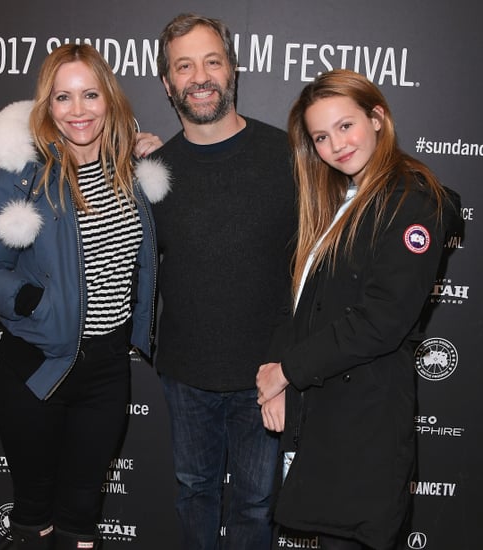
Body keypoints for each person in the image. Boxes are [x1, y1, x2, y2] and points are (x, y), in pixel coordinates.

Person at [0, 43, 167, 550]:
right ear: (46, 106)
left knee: (81, 516)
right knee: (34, 511)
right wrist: (29, 301)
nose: (79, 111)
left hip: (106, 368)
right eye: (63, 97)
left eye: (90, 94)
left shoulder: (131, 172)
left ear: (109, 99)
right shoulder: (25, 173)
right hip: (38, 365)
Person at [256, 69, 461, 550]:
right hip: (327, 414)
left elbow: (381, 321)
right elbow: (306, 303)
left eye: (345, 126)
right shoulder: (340, 200)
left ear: (377, 118)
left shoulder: (412, 201)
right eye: (321, 136)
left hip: (366, 423)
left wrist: (288, 371)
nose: (336, 145)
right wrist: (280, 375)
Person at [150, 13, 297, 550]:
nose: (200, 75)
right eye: (184, 66)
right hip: (186, 375)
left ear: (233, 69)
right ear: (168, 84)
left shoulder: (289, 156)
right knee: (194, 493)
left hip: (266, 376)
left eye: (212, 61)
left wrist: (287, 363)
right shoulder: (153, 170)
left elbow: (317, 265)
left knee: (256, 506)